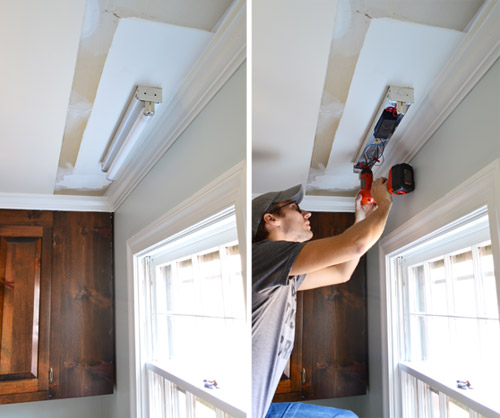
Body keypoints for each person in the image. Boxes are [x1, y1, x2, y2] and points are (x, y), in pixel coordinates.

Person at [252, 177, 393, 418]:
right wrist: (386, 202)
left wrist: (363, 219)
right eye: (295, 208)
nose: (307, 214)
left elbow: (341, 272)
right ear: (271, 219)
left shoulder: (284, 275)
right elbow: (356, 245)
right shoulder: (262, 257)